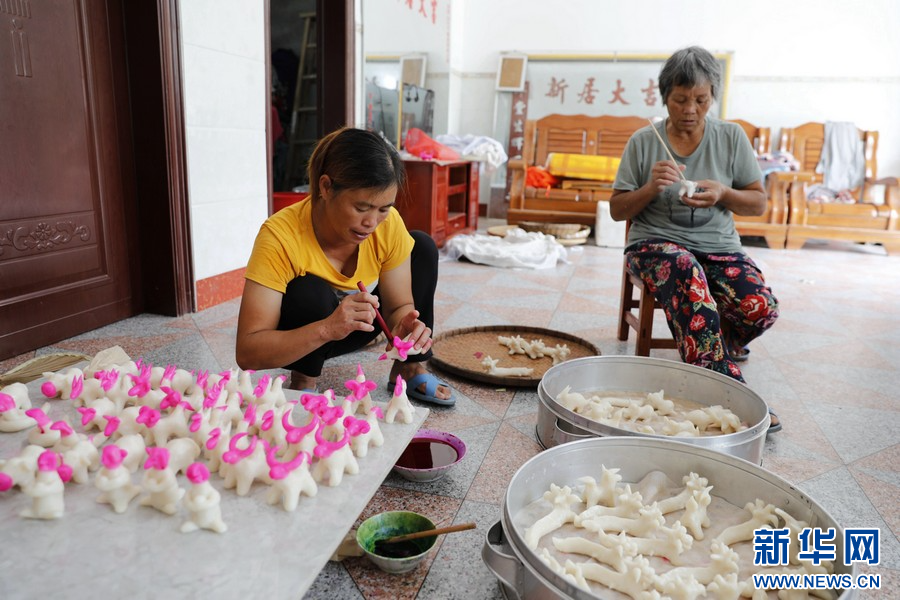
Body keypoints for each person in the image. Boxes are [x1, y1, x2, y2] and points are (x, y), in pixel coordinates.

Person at [609, 46, 780, 431]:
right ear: (664, 97)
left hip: (718, 246)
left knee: (759, 306)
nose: (690, 109)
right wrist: (650, 187)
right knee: (686, 272)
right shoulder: (644, 140)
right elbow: (618, 210)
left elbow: (758, 203)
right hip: (655, 245)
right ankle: (725, 393)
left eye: (701, 100)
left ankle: (715, 340)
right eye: (680, 99)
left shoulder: (731, 136)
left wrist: (724, 193)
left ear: (712, 97)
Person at [236, 126, 454, 406]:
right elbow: (247, 352)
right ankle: (304, 379)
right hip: (302, 338)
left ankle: (408, 367)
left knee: (421, 246)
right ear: (326, 187)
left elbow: (398, 306)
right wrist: (328, 328)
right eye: (361, 208)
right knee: (308, 289)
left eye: (383, 209)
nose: (371, 222)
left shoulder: (387, 225)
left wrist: (404, 327)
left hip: (360, 327)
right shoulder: (280, 237)